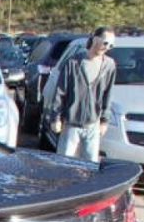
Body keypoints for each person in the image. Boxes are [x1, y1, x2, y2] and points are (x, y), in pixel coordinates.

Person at [50, 27, 117, 162]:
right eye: (105, 43)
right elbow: (60, 92)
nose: (107, 47)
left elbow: (108, 95)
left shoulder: (109, 66)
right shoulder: (73, 62)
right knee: (63, 163)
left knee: (90, 165)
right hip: (71, 123)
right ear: (95, 39)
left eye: (111, 45)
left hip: (93, 124)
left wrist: (104, 120)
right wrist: (55, 118)